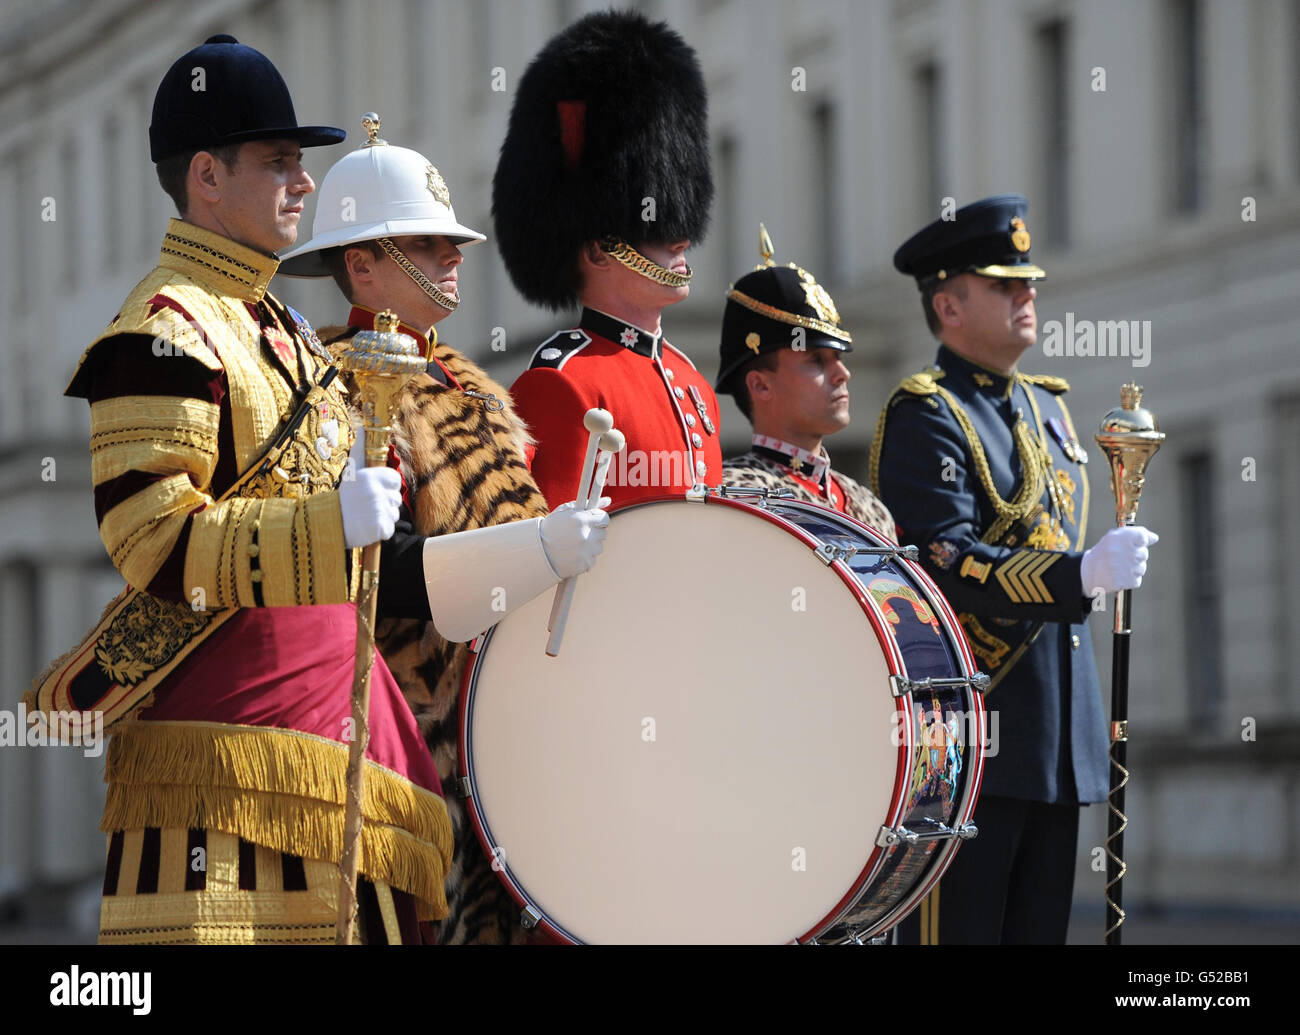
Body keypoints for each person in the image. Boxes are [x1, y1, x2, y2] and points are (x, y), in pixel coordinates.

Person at [277, 115, 607, 942]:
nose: (455, 256)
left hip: (493, 739)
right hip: (398, 743)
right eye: (427, 245)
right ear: (362, 266)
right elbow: (367, 573)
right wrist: (533, 551)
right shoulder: (331, 390)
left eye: (449, 243)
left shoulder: (465, 380)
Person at [872, 194, 1158, 944]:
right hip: (976, 744)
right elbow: (947, 557)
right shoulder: (927, 412)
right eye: (1003, 283)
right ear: (948, 303)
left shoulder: (1048, 410)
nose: (1026, 293)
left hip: (1055, 743)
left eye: (1026, 280)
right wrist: (1078, 576)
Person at [495, 9, 723, 508]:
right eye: (656, 232)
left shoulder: (693, 384)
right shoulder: (563, 381)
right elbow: (548, 553)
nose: (680, 240)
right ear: (599, 250)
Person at [716, 226, 896, 539]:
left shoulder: (870, 506)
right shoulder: (737, 496)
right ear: (760, 386)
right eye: (816, 360)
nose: (843, 373)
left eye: (838, 358)